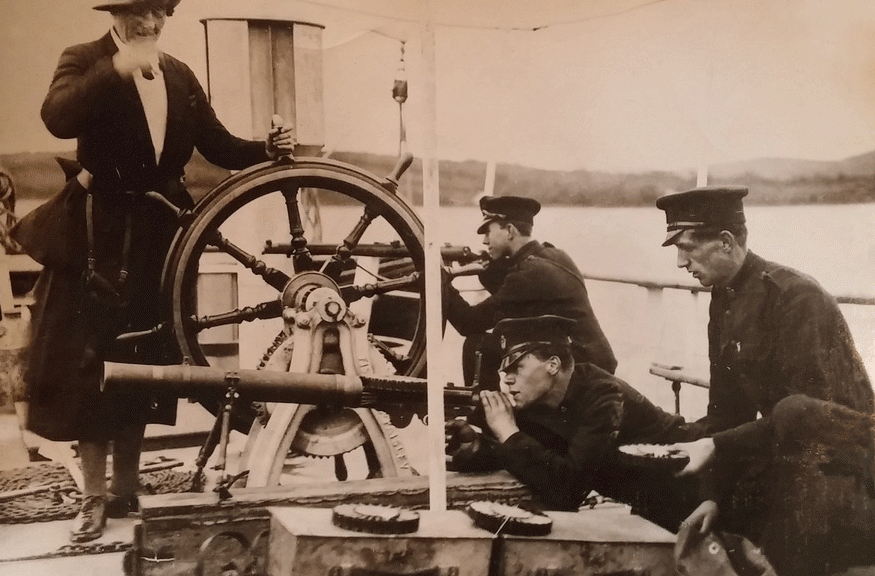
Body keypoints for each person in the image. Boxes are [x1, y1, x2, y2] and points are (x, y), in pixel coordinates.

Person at [23, 0, 294, 543]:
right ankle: (93, 499)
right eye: (139, 14)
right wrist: (112, 71)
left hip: (159, 237)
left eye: (159, 15)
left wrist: (265, 148)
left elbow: (216, 144)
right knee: (91, 365)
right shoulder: (83, 59)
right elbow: (57, 117)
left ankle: (127, 493)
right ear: (116, 15)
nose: (149, 25)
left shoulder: (177, 73)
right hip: (98, 236)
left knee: (144, 362)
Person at [656, 185, 875, 575]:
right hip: (786, 452)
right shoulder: (724, 299)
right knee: (669, 493)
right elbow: (726, 411)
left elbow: (804, 420)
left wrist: (718, 446)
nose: (679, 263)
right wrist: (714, 496)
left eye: (687, 248)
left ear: (725, 242)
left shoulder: (796, 298)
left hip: (847, 469)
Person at [445, 314, 705, 531]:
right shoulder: (541, 401)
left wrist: (508, 430)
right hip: (655, 505)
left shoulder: (604, 396)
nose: (508, 380)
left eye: (517, 368)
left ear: (553, 365)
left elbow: (569, 489)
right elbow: (539, 457)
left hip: (697, 489)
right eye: (505, 372)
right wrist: (478, 446)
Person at [444, 195, 616, 391]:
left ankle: (485, 415)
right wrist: (486, 266)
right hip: (592, 360)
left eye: (488, 232)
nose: (484, 241)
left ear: (509, 230)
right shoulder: (555, 255)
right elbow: (513, 298)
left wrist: (441, 282)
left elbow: (468, 322)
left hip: (581, 371)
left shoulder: (529, 274)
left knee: (477, 346)